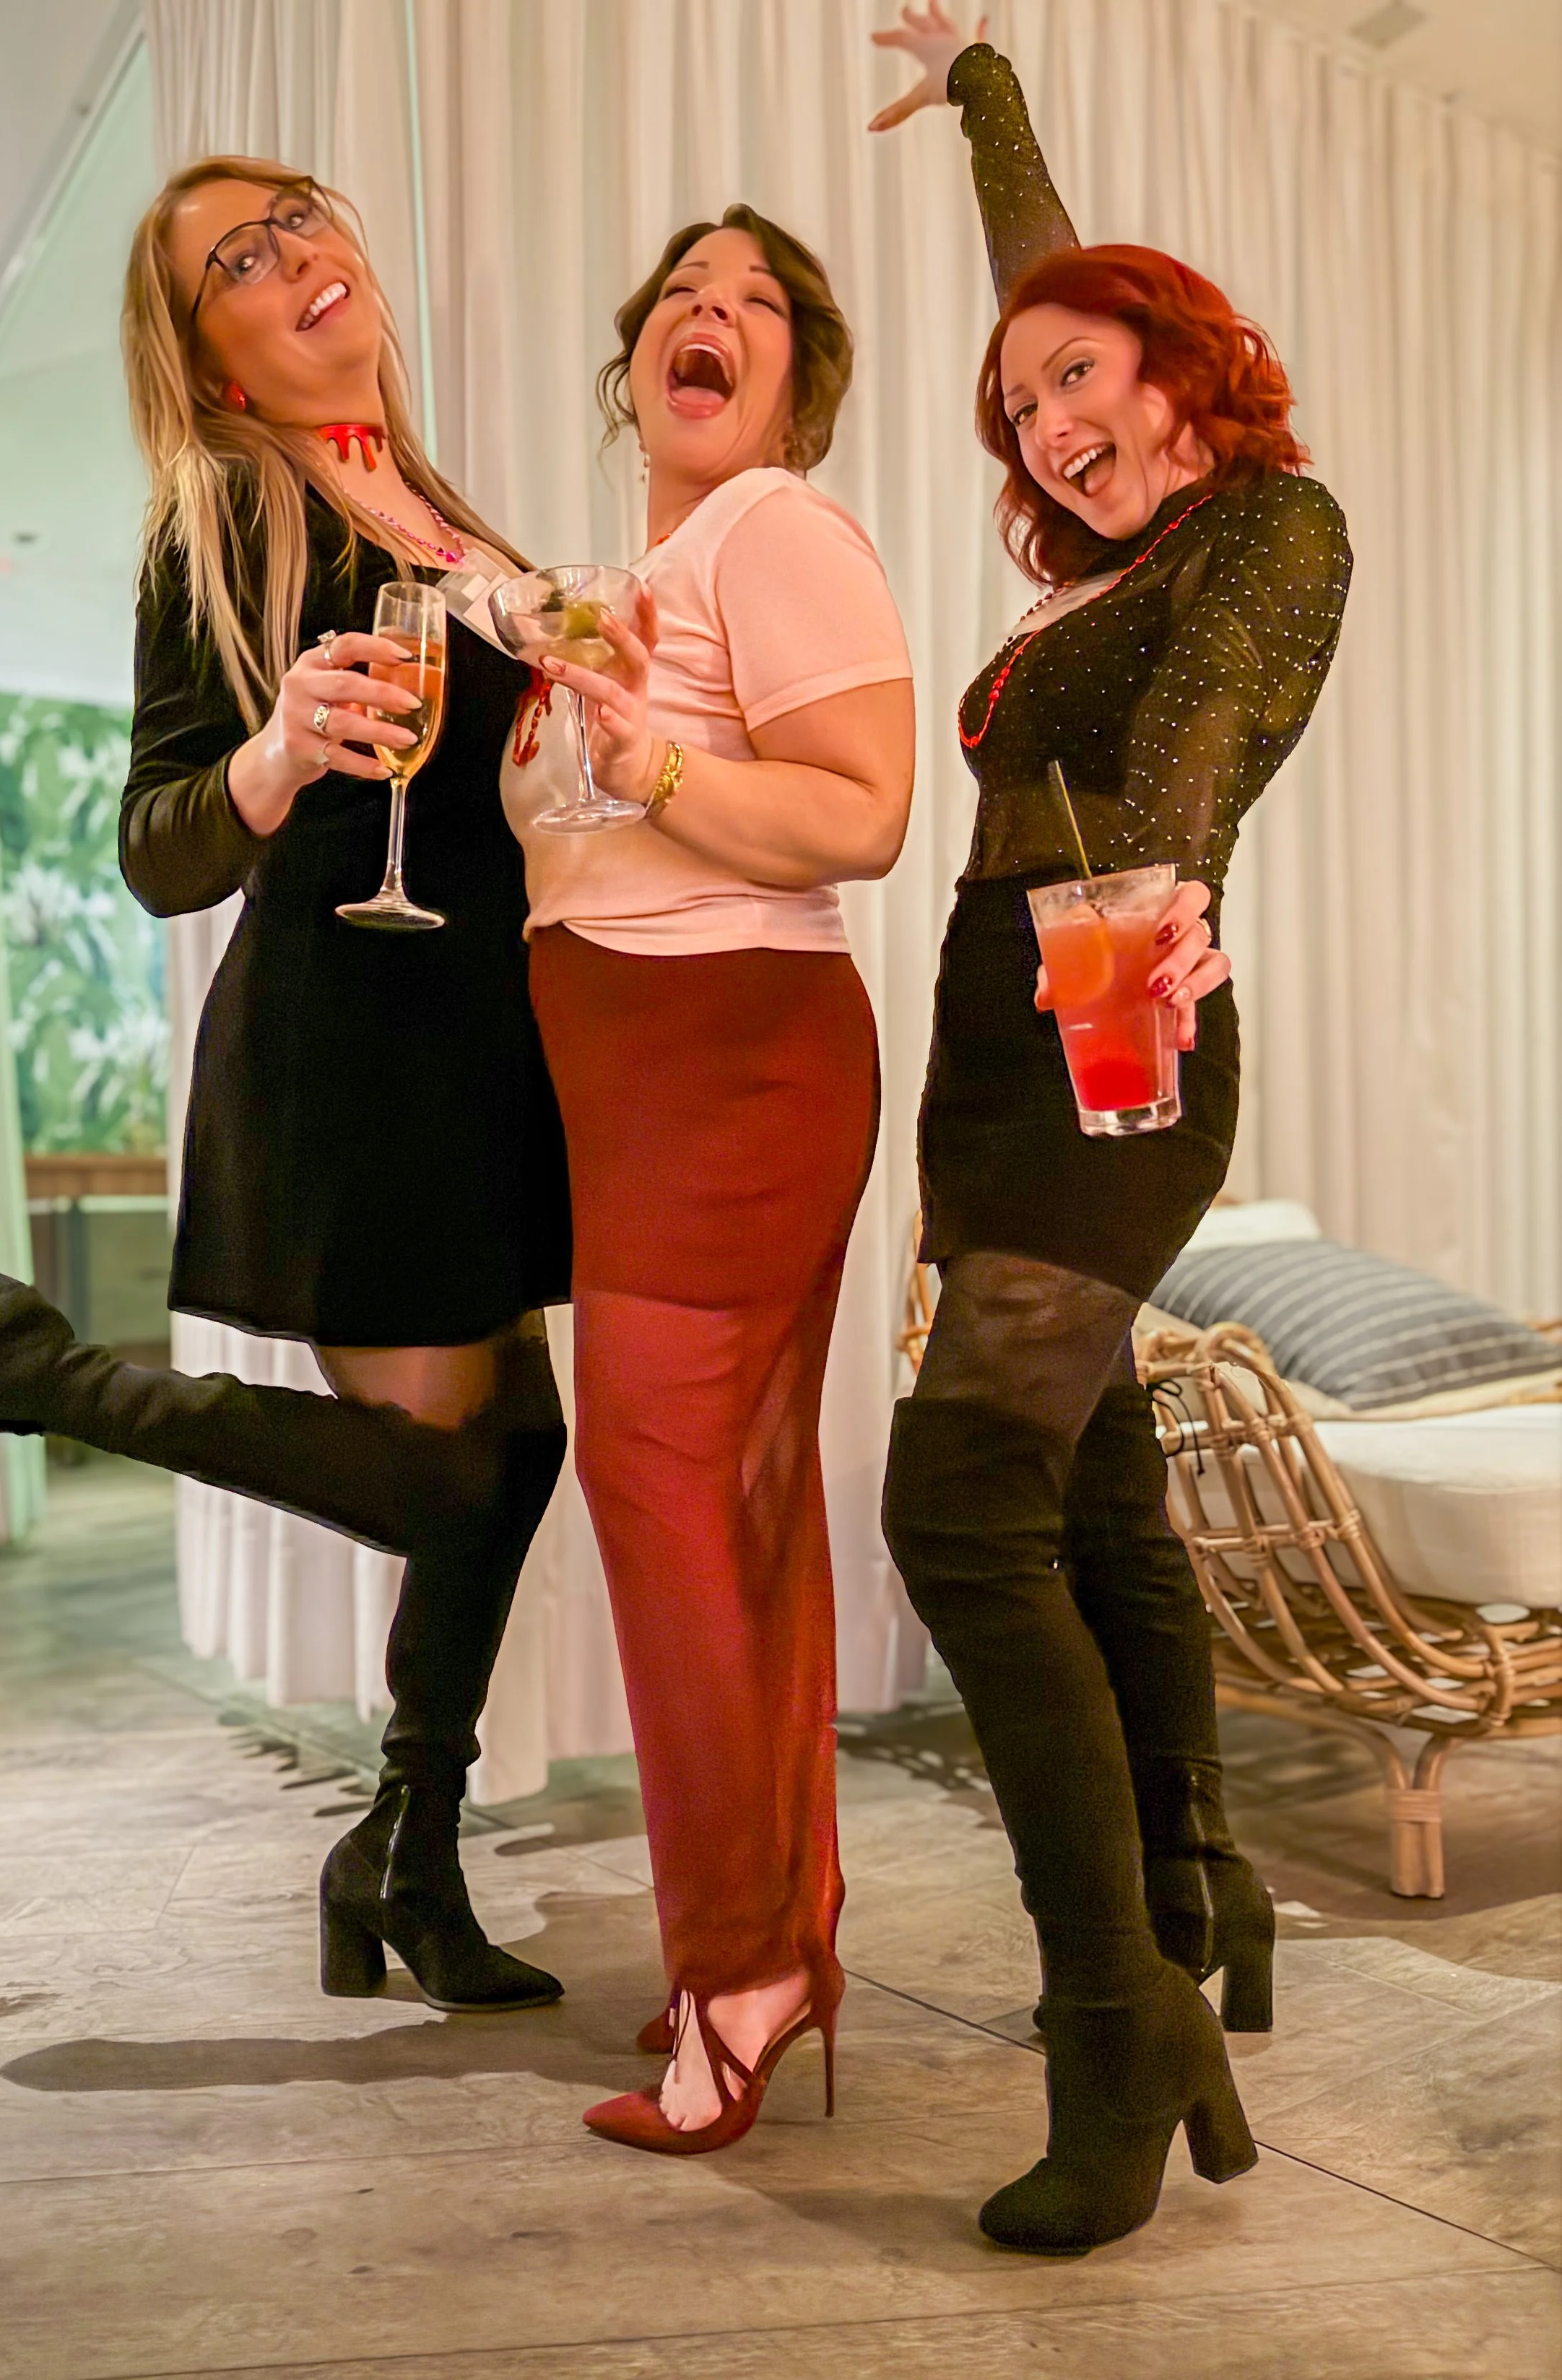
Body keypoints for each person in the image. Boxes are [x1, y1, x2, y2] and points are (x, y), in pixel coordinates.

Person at [0, 161, 573, 2018]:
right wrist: (269, 757)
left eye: (301, 218)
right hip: (352, 1046)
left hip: (483, 1039)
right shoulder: (220, 516)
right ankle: (43, 1372)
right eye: (236, 260)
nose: (295, 256)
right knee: (441, 1484)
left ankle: (400, 1852)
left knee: (521, 1451)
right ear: (210, 359)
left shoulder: (433, 502)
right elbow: (155, 844)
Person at [870, 15, 1352, 2253]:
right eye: (1020, 406)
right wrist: (980, 82)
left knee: (958, 1502)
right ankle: (1192, 1883)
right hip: (991, 1044)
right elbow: (1043, 264)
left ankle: (1112, 2015)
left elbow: (1186, 750)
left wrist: (1156, 911)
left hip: (1105, 1026)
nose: (1050, 425)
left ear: (1179, 367)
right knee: (1093, 1492)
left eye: (1084, 379)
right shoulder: (1098, 544)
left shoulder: (1263, 529)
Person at [498, 206, 910, 2155]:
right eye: (678, 291)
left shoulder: (774, 530)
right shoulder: (633, 580)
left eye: (751, 302)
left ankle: (746, 1959)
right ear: (630, 359)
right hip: (631, 1075)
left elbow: (863, 814)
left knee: (670, 1494)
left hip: (731, 1060)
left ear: (794, 383)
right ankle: (758, 1945)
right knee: (710, 1506)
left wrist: (644, 766)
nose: (706, 312)